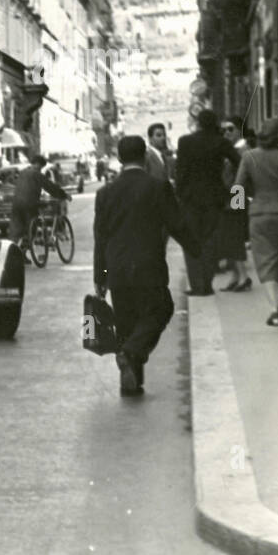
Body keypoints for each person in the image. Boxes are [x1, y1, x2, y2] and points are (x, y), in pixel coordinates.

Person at [93, 135, 198, 396]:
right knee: (161, 309)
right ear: (145, 157)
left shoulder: (105, 193)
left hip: (117, 268)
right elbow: (176, 224)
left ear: (119, 158)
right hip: (148, 265)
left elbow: (101, 239)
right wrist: (196, 249)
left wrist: (101, 276)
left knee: (127, 324)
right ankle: (130, 353)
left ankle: (131, 384)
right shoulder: (158, 187)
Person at [175, 109, 242, 296]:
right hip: (215, 197)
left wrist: (179, 194)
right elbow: (240, 162)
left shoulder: (185, 142)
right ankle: (207, 284)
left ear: (198, 123)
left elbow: (180, 171)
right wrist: (233, 190)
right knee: (210, 240)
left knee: (191, 241)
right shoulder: (221, 142)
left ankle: (197, 285)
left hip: (190, 198)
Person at [234, 118, 278, 325]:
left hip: (260, 215)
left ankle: (274, 307)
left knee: (266, 261)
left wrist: (237, 210)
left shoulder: (249, 157)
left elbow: (238, 186)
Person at [216, 121, 251, 292]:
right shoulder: (230, 150)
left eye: (230, 129)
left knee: (234, 237)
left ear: (239, 130)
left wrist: (236, 204)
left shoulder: (243, 150)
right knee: (229, 238)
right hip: (228, 198)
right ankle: (236, 276)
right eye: (223, 130)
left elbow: (242, 179)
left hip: (235, 199)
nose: (226, 133)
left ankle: (242, 276)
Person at [10, 155, 69, 253]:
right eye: (41, 166)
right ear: (38, 164)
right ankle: (25, 248)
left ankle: (17, 253)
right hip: (29, 204)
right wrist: (63, 195)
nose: (41, 169)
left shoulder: (22, 173)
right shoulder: (37, 174)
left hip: (16, 204)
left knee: (17, 231)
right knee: (31, 229)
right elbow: (50, 187)